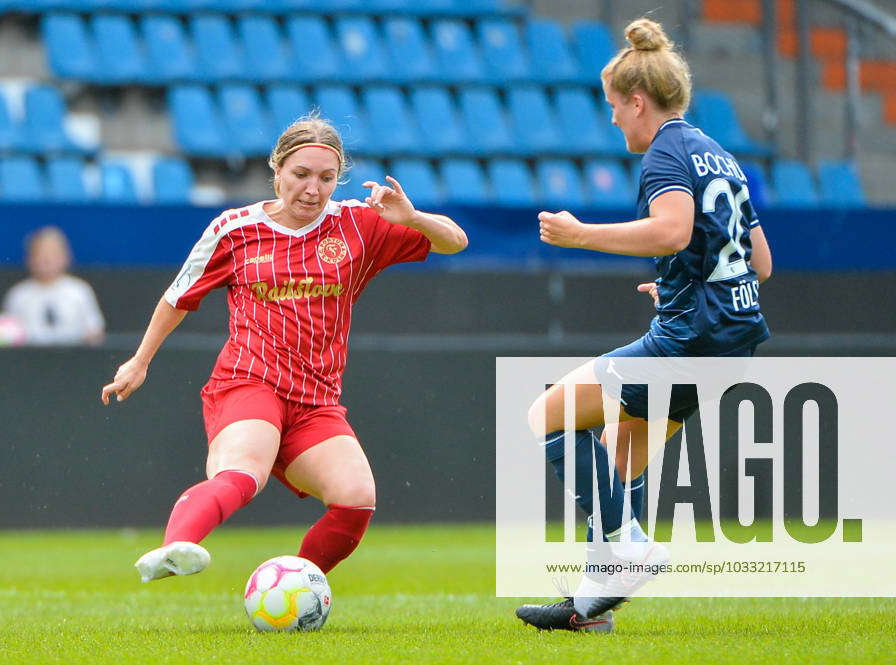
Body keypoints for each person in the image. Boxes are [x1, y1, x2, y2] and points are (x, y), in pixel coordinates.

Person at [101, 115, 467, 583]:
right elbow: (178, 297)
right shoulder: (234, 228)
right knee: (244, 470)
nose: (313, 189)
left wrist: (412, 217)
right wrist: (140, 360)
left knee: (357, 496)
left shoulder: (359, 224)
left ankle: (294, 586)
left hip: (316, 400)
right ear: (277, 170)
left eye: (326, 177)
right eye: (301, 174)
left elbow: (456, 242)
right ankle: (176, 548)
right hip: (249, 381)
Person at [515, 17, 772, 632]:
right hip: (733, 339)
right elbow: (757, 262)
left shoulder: (665, 155)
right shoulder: (720, 154)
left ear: (637, 101)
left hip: (690, 339)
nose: (612, 120)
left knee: (548, 415)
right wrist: (682, 277)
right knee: (621, 447)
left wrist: (579, 235)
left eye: (613, 107)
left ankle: (626, 546)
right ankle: (590, 607)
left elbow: (673, 229)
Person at [0, 226, 105, 346]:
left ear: (66, 257)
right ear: (30, 258)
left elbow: (95, 331)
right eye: (40, 254)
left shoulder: (80, 291)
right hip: (28, 360)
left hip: (74, 358)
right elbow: (7, 335)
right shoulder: (18, 295)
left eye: (53, 254)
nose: (47, 260)